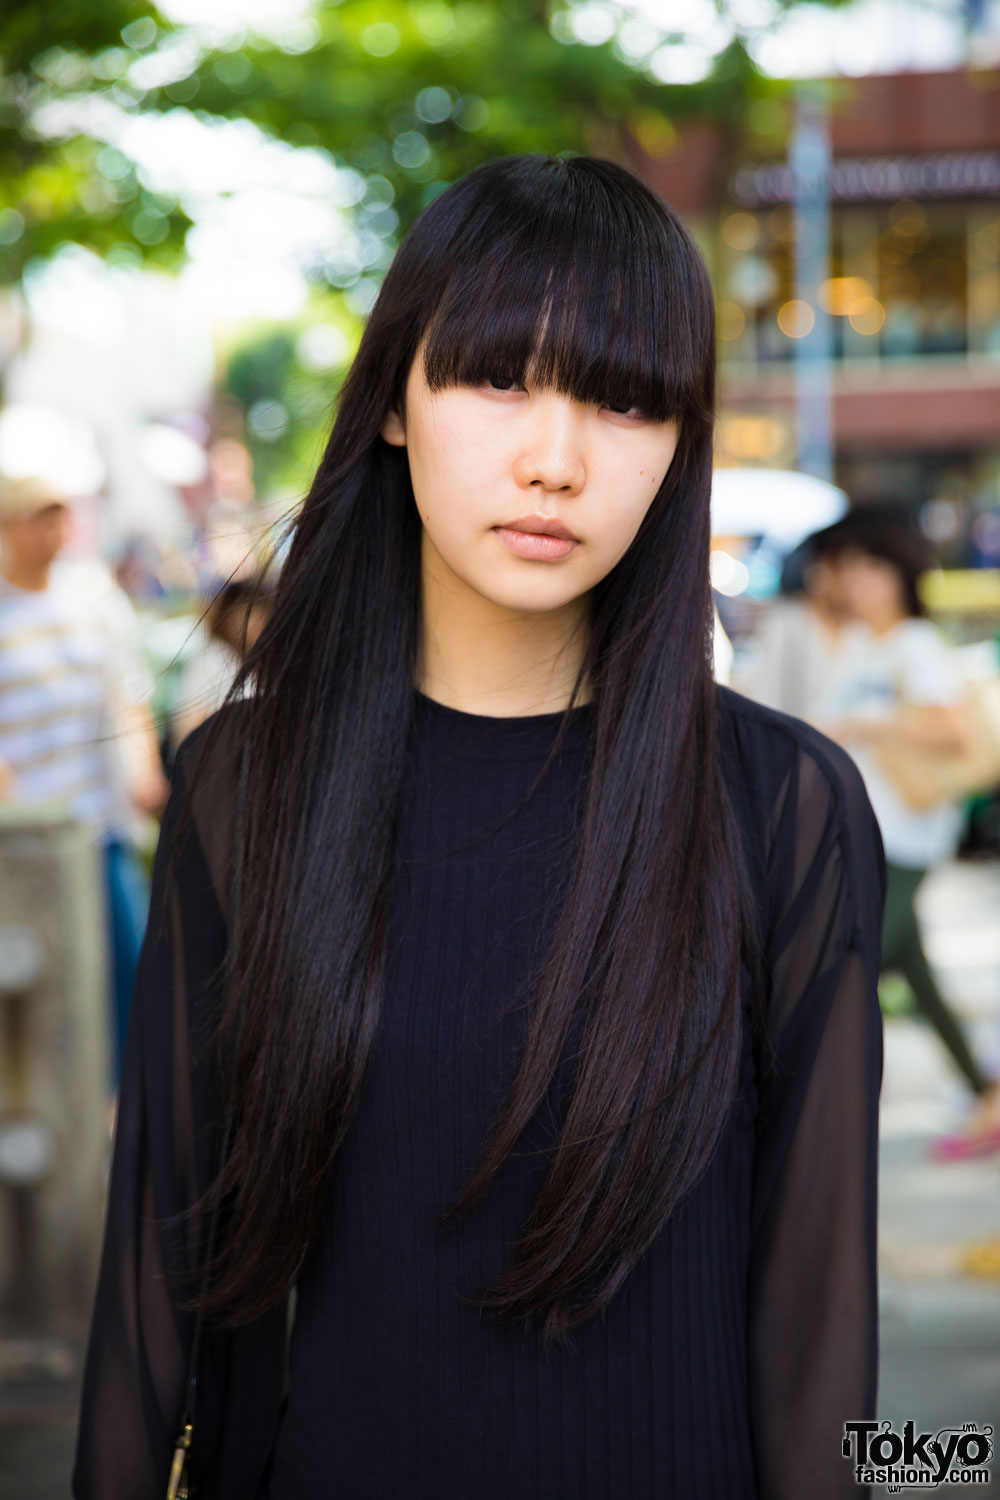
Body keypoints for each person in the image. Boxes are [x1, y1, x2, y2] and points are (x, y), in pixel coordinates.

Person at [73, 155, 886, 1500]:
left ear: (681, 442)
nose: (556, 461)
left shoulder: (781, 807)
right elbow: (160, 1282)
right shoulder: (245, 791)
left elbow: (821, 1350)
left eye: (625, 400)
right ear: (397, 398)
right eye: (499, 377)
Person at [814, 518, 997, 1126]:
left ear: (900, 576)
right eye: (854, 569)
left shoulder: (913, 643)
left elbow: (951, 730)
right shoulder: (861, 645)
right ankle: (983, 1089)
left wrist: (873, 722)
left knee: (852, 965)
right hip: (866, 833)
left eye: (874, 568)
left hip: (908, 837)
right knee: (912, 973)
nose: (859, 582)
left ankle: (831, 1112)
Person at [0, 473, 168, 1091]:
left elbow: (128, 693)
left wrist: (145, 770)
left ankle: (127, 1118)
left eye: (58, 514)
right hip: (29, 843)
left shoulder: (91, 597)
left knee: (135, 972)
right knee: (54, 991)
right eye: (37, 515)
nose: (53, 528)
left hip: (102, 828)